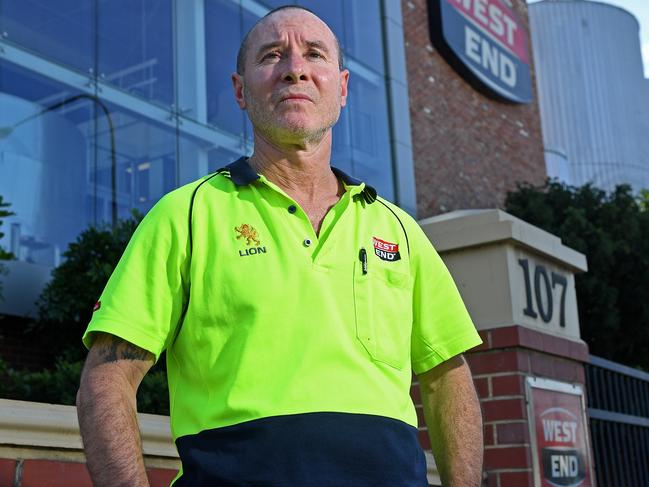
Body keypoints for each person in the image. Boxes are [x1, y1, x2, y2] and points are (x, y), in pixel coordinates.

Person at [76, 5, 484, 486]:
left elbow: (447, 378)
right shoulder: (185, 215)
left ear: (343, 88)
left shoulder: (399, 230)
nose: (295, 68)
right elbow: (106, 379)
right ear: (240, 90)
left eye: (315, 54)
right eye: (273, 54)